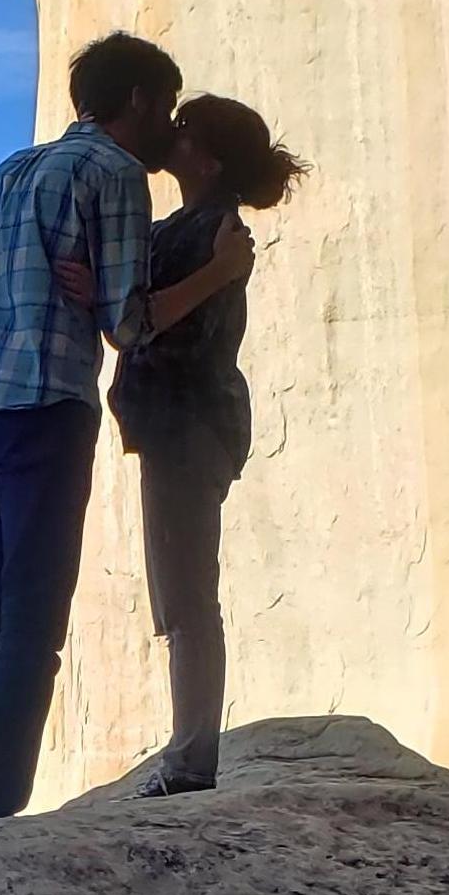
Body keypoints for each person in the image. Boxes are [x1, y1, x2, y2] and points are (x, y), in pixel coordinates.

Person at [0, 34, 250, 822]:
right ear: (139, 99)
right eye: (165, 107)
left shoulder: (7, 170)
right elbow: (129, 323)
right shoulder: (113, 175)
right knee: (30, 631)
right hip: (42, 406)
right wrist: (212, 276)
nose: (167, 127)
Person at [105, 90, 303, 796]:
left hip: (185, 424)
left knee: (185, 594)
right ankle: (187, 754)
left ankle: (189, 762)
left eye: (184, 129)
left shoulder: (208, 232)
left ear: (210, 160)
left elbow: (139, 321)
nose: (172, 133)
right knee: (181, 590)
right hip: (182, 425)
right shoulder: (188, 228)